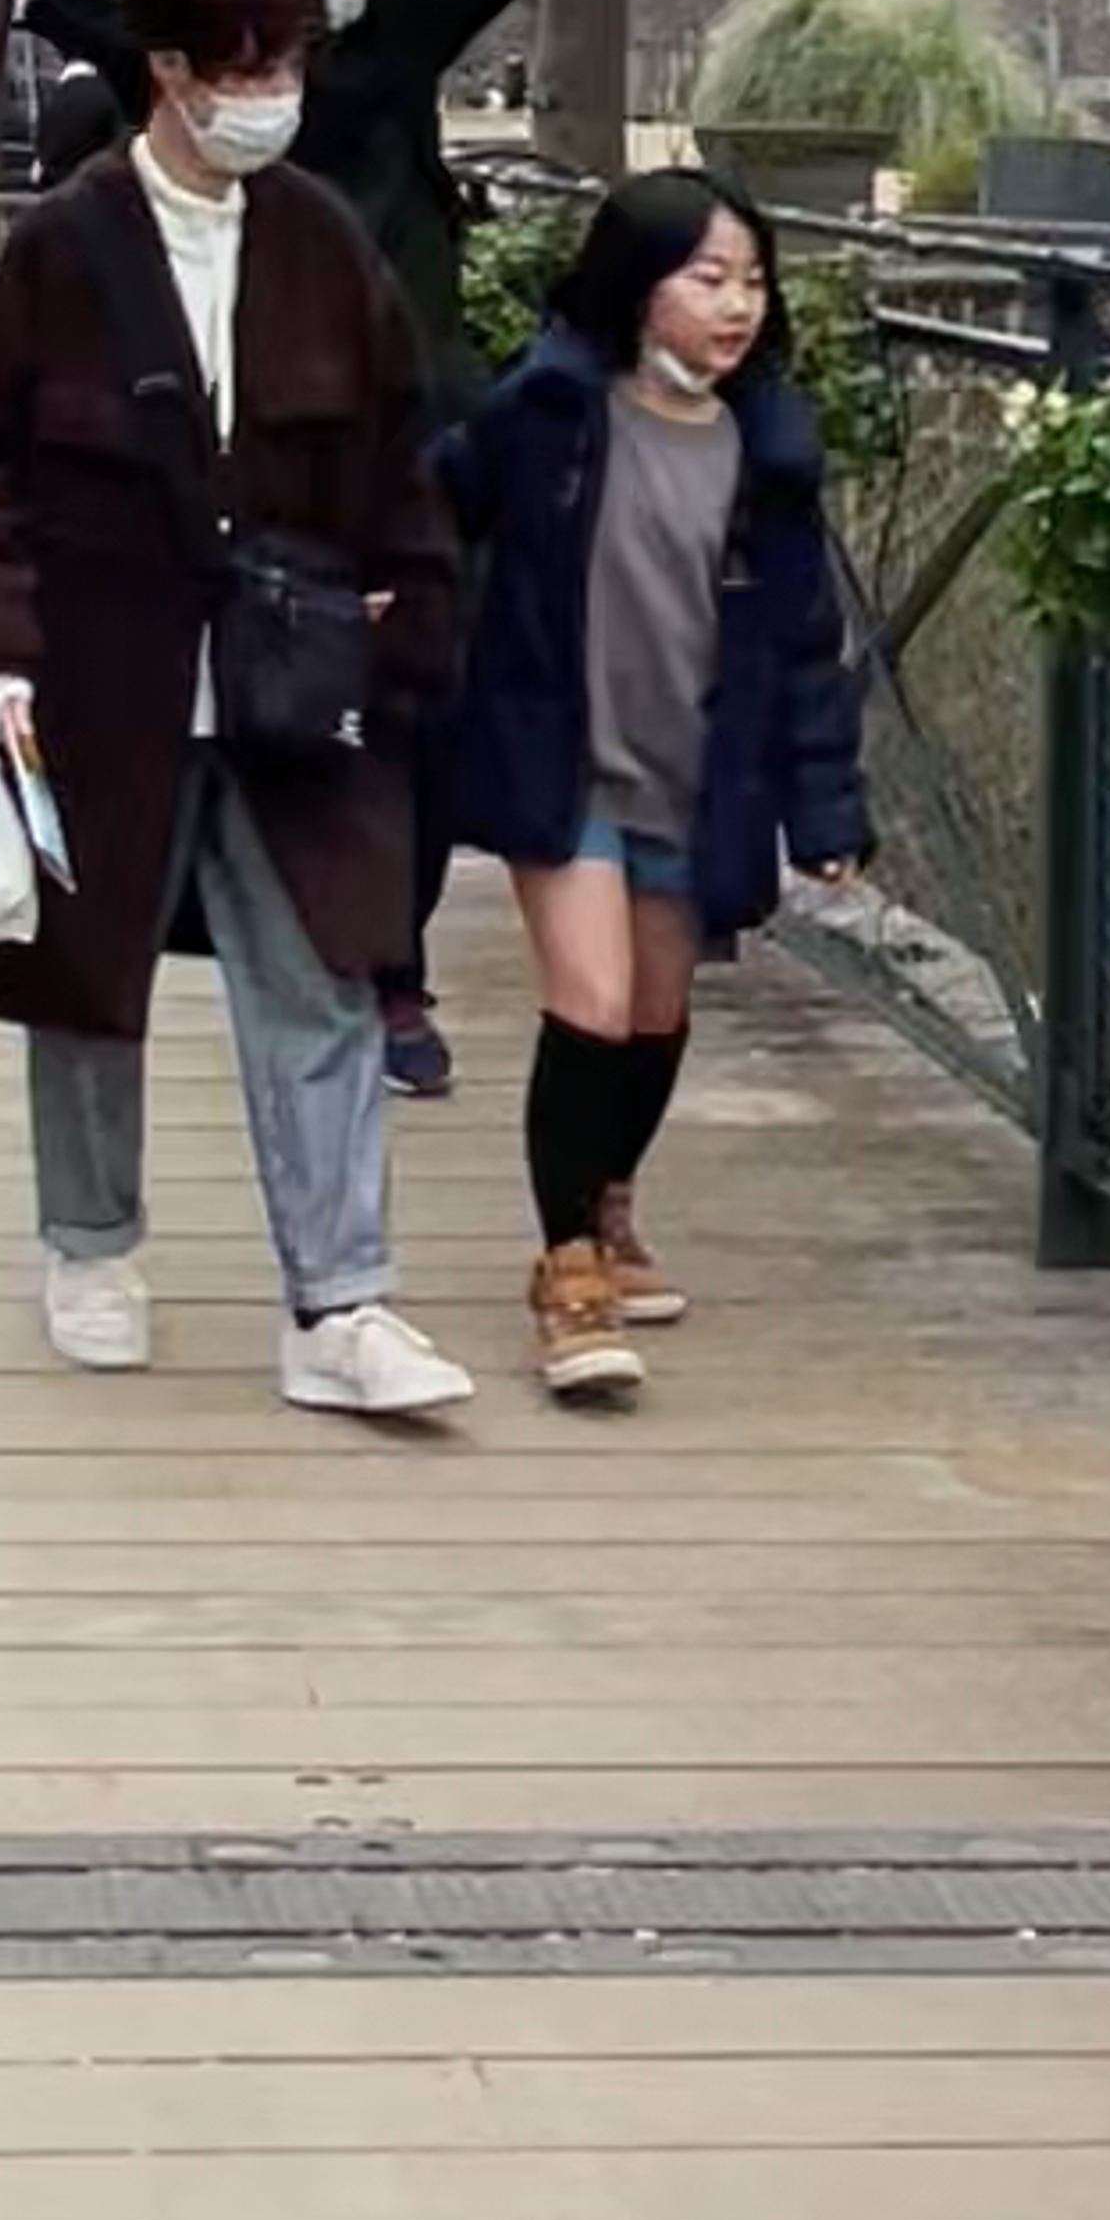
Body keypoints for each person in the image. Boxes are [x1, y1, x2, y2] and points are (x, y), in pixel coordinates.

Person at [0, 0, 475, 1423]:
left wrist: (409, 615)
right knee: (83, 975)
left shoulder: (323, 240)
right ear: (169, 68)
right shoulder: (65, 244)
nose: (272, 92)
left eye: (288, 63)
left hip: (297, 679)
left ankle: (339, 1299)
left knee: (325, 973)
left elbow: (402, 453)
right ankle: (92, 1240)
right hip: (98, 680)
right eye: (247, 65)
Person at [18, 0, 568, 1101]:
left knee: (408, 700)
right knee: (237, 688)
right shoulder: (203, 44)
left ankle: (389, 966)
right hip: (237, 428)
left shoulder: (398, 38)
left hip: (398, 419)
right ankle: (209, 924)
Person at [441, 168, 870, 1408]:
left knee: (654, 1013)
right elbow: (433, 504)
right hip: (563, 758)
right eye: (708, 277)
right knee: (589, 999)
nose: (737, 305)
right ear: (638, 286)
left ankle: (611, 1200)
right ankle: (568, 1271)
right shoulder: (551, 414)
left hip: (697, 776)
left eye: (754, 280)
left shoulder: (766, 453)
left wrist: (825, 809)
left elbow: (805, 646)